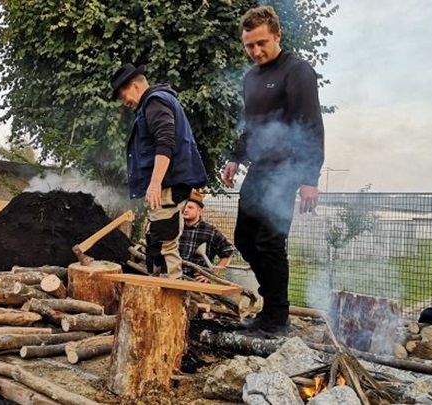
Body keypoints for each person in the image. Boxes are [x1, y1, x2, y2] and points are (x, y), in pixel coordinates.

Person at [222, 6, 324, 333]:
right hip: (260, 167)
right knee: (244, 238)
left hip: (289, 167)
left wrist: (310, 178)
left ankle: (276, 317)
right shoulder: (251, 78)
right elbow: (252, 126)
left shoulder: (298, 72)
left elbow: (311, 125)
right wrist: (235, 156)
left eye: (261, 43)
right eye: (249, 46)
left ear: (277, 35)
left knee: (270, 242)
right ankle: (271, 307)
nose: (256, 51)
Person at [110, 63, 208, 279]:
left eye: (122, 94)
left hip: (167, 185)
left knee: (164, 243)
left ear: (134, 86)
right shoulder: (155, 103)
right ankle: (160, 293)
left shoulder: (154, 102)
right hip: (168, 184)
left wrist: (155, 183)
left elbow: (165, 141)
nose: (123, 101)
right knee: (157, 240)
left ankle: (170, 298)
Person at [179, 189, 236, 280]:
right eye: (184, 207)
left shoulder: (210, 231)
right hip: (175, 279)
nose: (185, 210)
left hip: (197, 283)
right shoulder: (176, 229)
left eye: (190, 207)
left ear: (200, 210)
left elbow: (229, 251)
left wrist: (212, 275)